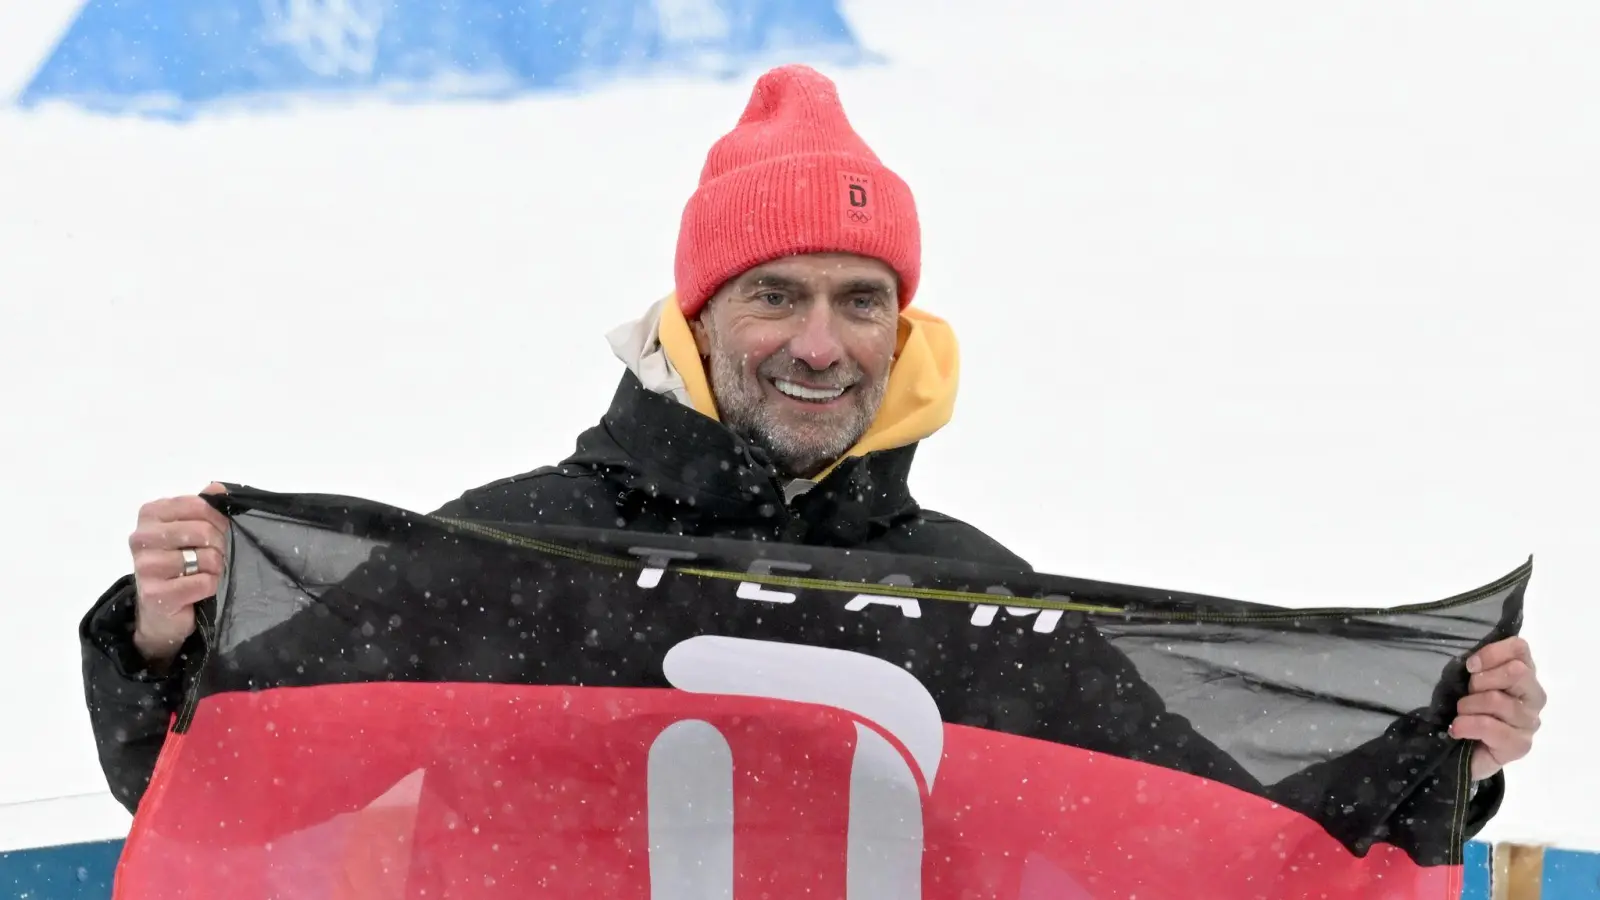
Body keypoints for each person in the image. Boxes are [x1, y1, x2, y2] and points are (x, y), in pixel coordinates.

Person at [79, 64, 1545, 829]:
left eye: (861, 301)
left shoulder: (979, 601)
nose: (818, 342)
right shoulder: (513, 555)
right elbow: (226, 787)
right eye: (773, 294)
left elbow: (1200, 835)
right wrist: (169, 643)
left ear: (903, 335)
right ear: (699, 319)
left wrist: (1443, 756)